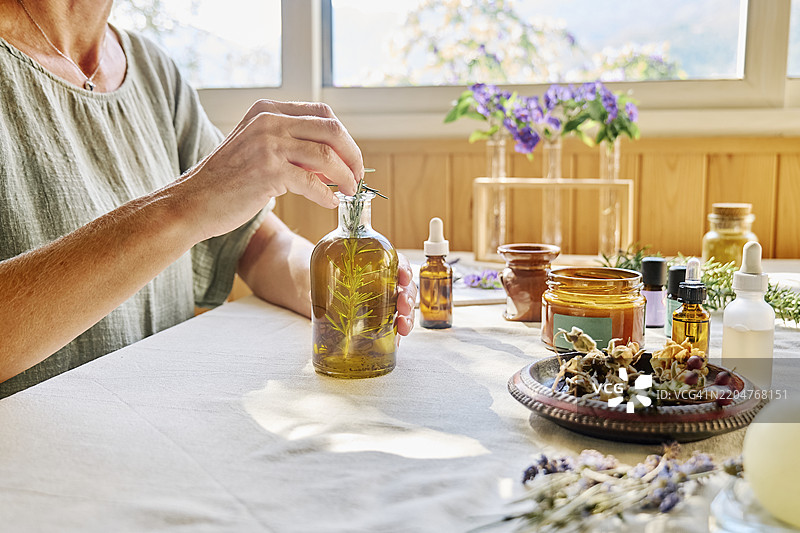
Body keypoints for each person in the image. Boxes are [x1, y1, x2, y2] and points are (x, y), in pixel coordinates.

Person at [0, 0, 417, 397]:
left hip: (165, 417)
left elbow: (260, 242)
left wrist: (342, 291)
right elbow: (198, 202)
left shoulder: (153, 72)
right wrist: (186, 204)